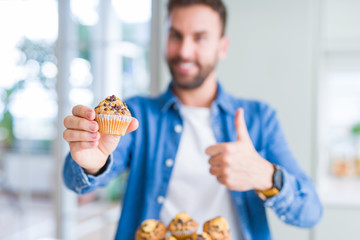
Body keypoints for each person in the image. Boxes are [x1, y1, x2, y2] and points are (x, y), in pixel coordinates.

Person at [63, 0, 322, 239]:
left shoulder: (260, 118)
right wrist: (90, 165)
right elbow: (75, 181)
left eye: (200, 37)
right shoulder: (136, 114)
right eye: (176, 35)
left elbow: (310, 212)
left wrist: (266, 177)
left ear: (222, 46)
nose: (184, 51)